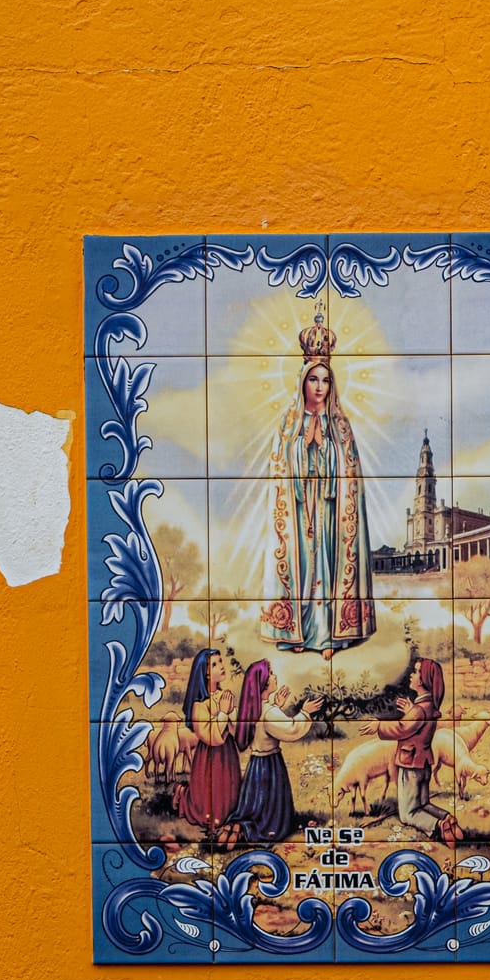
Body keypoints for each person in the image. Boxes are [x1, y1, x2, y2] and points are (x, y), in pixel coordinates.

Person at [259, 313, 376, 659]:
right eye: (314, 379)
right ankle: (297, 630)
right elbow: (280, 466)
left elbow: (349, 470)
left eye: (326, 379)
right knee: (301, 567)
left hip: (330, 509)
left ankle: (327, 636)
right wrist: (301, 443)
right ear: (302, 382)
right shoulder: (288, 423)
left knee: (327, 565)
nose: (320, 386)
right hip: (297, 509)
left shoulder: (340, 424)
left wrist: (325, 448)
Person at [218, 660, 323, 847]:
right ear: (265, 683)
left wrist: (277, 705)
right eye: (272, 673)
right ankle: (248, 831)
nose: (275, 676)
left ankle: (237, 826)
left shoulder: (251, 710)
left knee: (253, 805)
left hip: (254, 766)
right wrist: (305, 713)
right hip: (271, 766)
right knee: (272, 814)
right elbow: (290, 730)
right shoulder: (269, 712)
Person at [361, 657, 464, 846]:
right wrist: (411, 709)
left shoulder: (418, 710)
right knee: (423, 804)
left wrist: (379, 725)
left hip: (410, 764)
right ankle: (448, 818)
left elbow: (402, 728)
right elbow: (415, 722)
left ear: (424, 679)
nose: (411, 674)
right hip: (424, 763)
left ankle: (438, 825)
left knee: (408, 814)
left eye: (416, 672)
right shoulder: (428, 706)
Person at [173, 648, 240, 837]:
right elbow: (209, 737)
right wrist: (223, 713)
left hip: (228, 754)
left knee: (230, 801)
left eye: (221, 661)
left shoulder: (224, 695)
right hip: (209, 757)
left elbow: (235, 727)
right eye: (215, 664)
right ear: (205, 672)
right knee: (208, 810)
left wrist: (232, 715)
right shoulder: (199, 705)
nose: (221, 667)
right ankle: (182, 794)